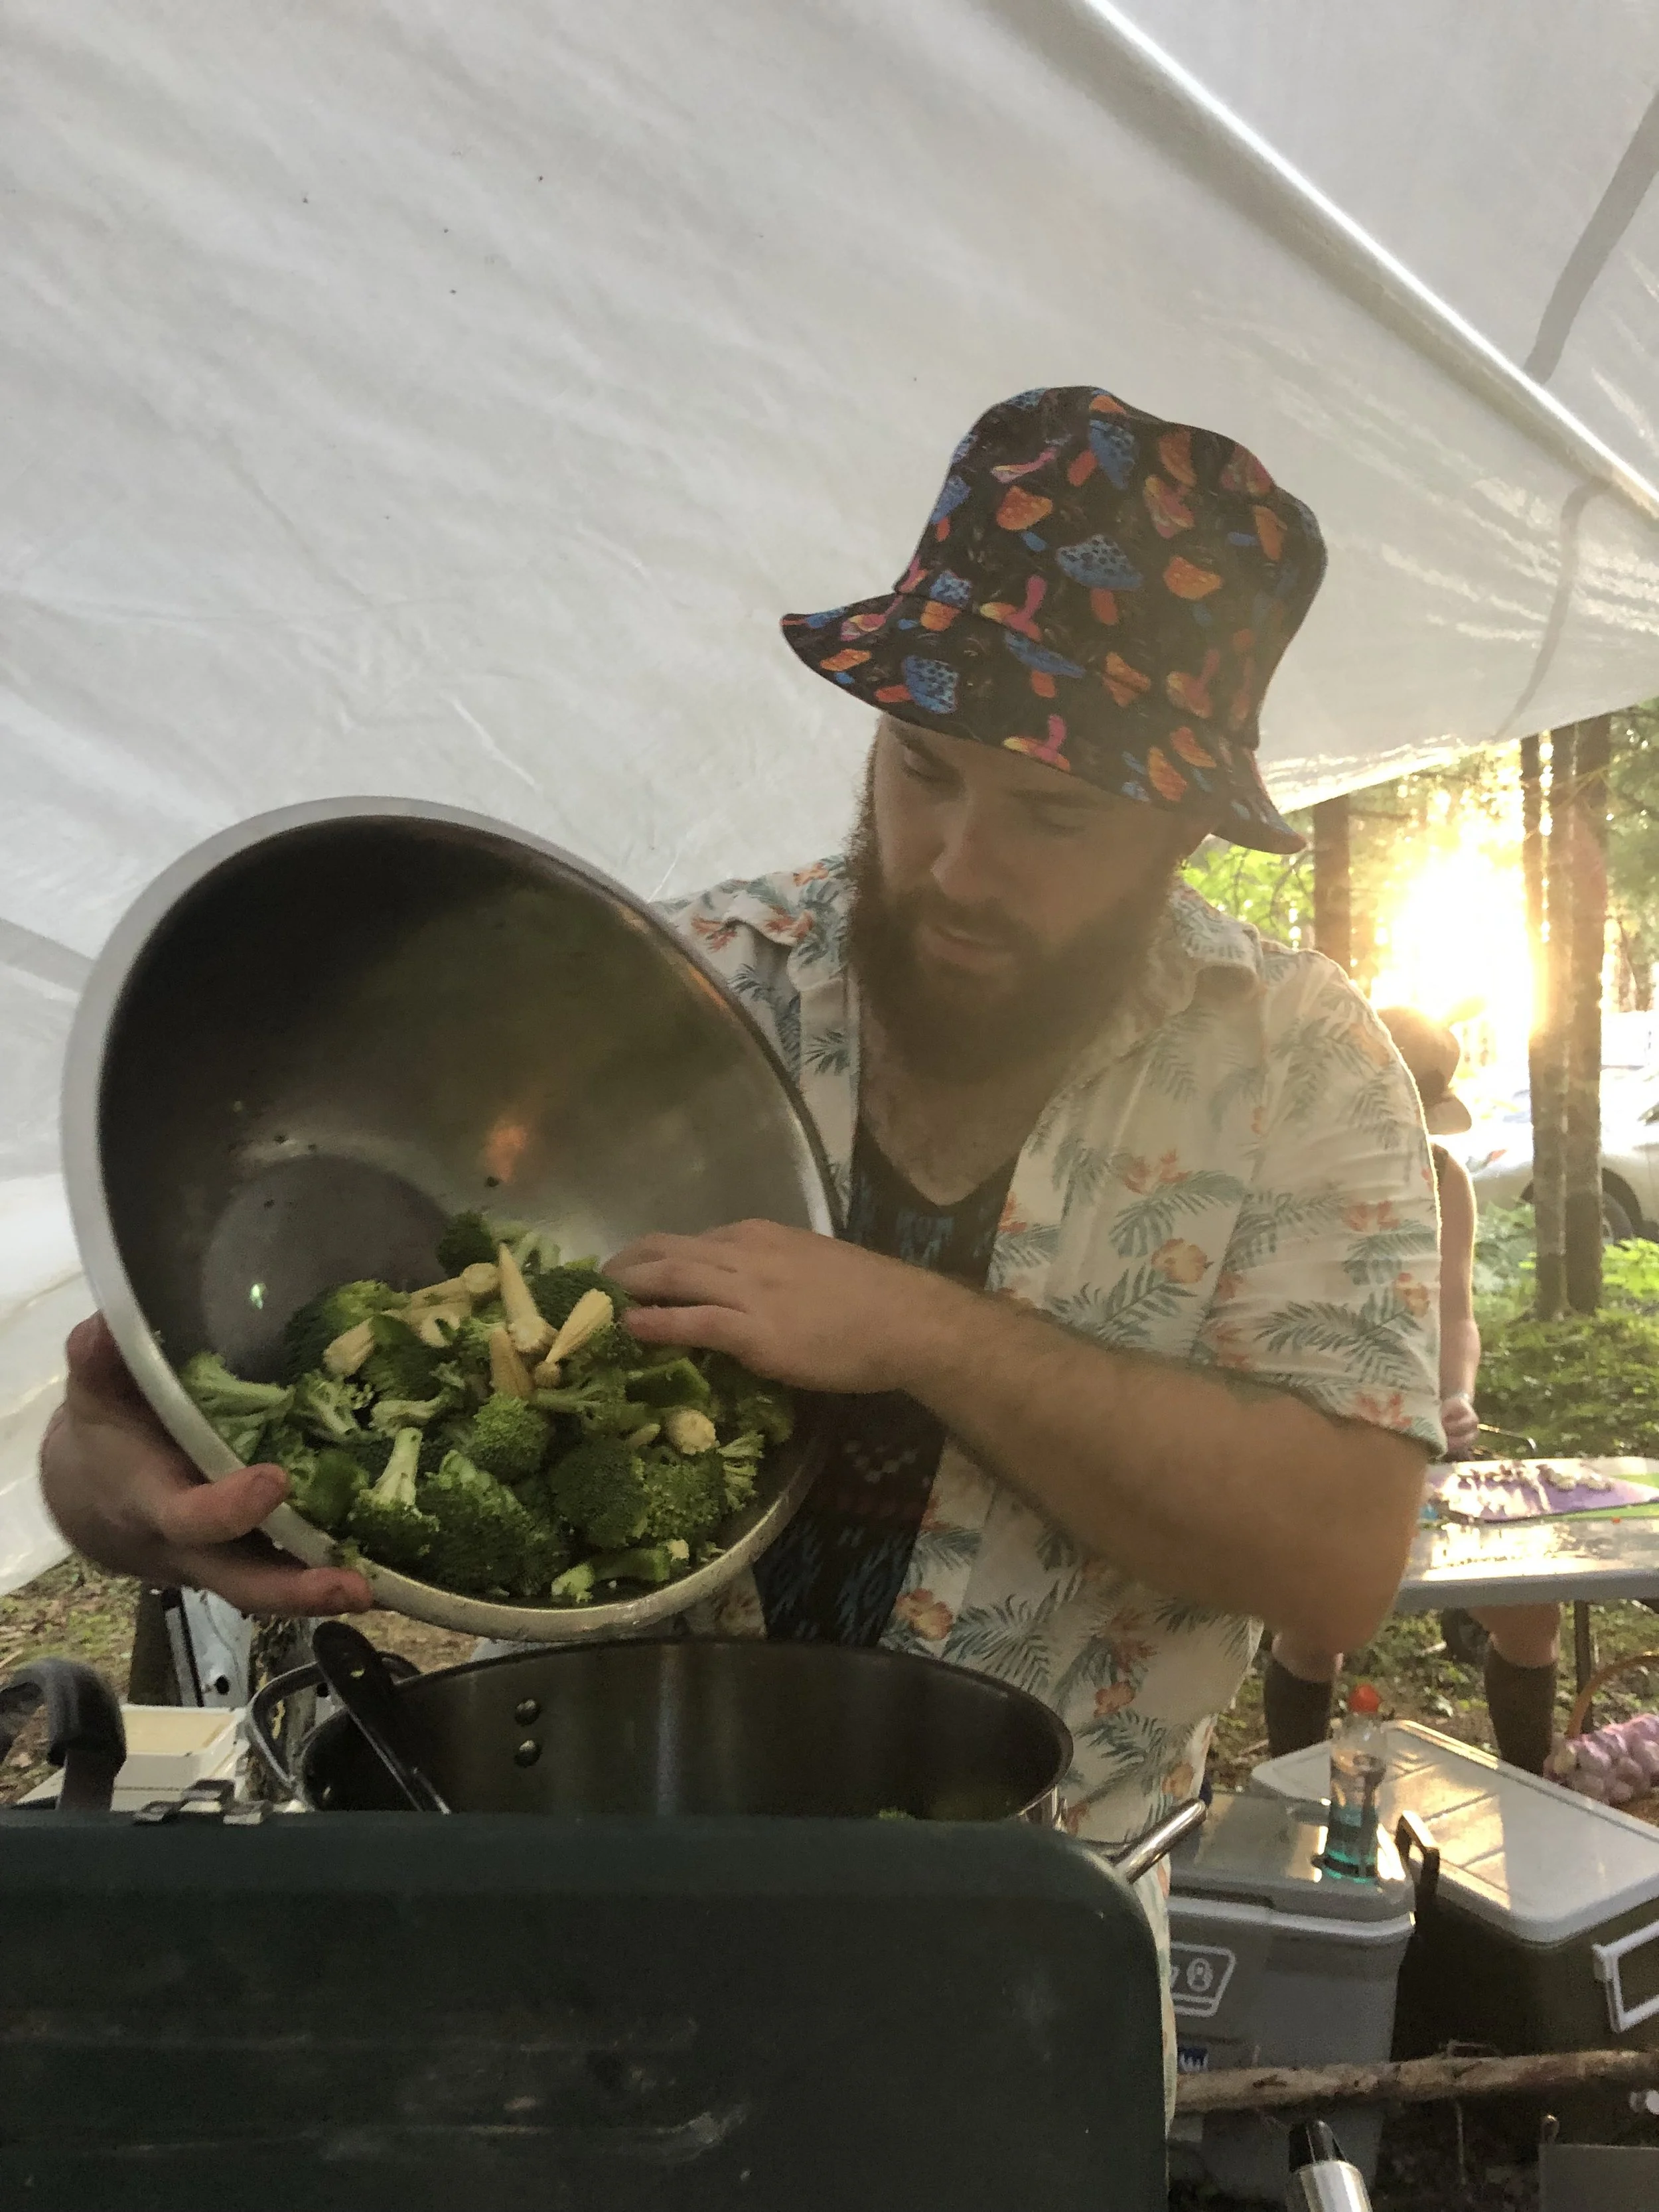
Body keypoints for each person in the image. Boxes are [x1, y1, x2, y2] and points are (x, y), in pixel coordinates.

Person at [40, 385, 1444, 2113]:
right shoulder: (684, 985)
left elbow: (1337, 1555)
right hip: (567, 1950)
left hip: (1010, 1988)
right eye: (921, 768)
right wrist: (119, 1481)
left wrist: (922, 1329)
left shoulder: (1292, 1066)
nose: (954, 862)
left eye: (1053, 815)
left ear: (1179, 821)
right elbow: (359, 1364)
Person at [1264, 1007, 1561, 1773]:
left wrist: (1455, 1394)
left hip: (1429, 1445)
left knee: (1530, 1612)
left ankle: (1527, 1793)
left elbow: (1457, 1316)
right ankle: (1298, 1802)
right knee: (1314, 1626)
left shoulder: (1444, 1178)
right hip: (1322, 1438)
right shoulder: (1299, 1171)